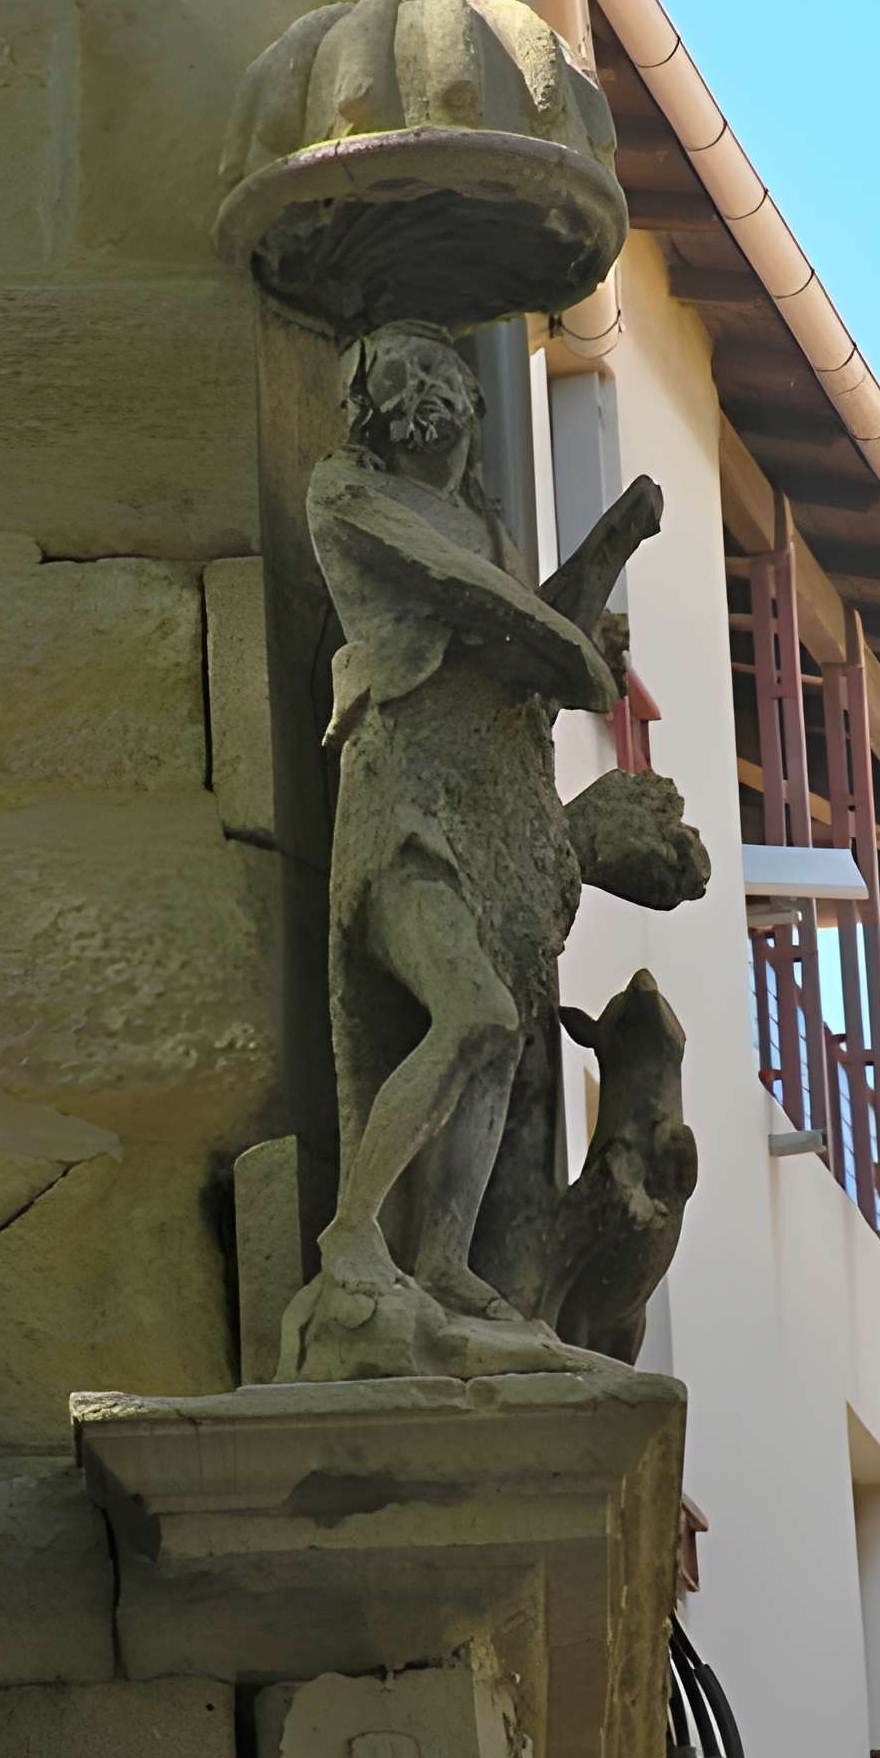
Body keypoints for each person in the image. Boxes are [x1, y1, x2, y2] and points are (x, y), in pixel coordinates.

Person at [308, 322, 665, 1327]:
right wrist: (567, 650)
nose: (418, 389)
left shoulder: (490, 528)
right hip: (408, 794)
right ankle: (351, 1231)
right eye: (393, 378)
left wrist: (614, 542)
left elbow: (535, 620)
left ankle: (444, 1257)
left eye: (431, 368)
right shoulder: (349, 494)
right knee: (474, 1011)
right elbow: (459, 593)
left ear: (468, 391)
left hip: (492, 803)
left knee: (500, 1035)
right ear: (370, 414)